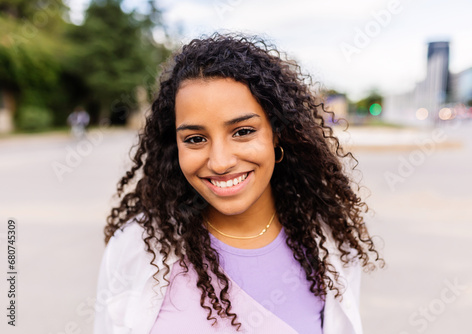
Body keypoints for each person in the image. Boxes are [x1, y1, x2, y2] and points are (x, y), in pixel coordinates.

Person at [94, 33, 383, 334]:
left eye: (243, 131)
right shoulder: (135, 247)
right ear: (174, 145)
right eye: (195, 139)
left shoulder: (329, 248)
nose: (220, 162)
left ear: (277, 133)